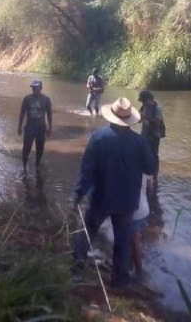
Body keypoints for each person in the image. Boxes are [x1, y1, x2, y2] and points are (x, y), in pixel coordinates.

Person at [73, 97, 157, 287]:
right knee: (123, 240)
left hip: (101, 197)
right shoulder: (139, 142)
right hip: (127, 200)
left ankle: (77, 269)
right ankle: (119, 280)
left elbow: (87, 171)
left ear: (111, 116)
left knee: (86, 232)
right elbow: (151, 168)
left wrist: (78, 194)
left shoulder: (98, 137)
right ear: (129, 120)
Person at [18, 80, 52, 173]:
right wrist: (19, 126)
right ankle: (24, 167)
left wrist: (50, 127)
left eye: (36, 88)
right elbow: (22, 113)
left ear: (40, 88)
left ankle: (37, 164)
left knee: (40, 148)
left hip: (41, 128)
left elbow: (49, 114)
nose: (34, 90)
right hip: (29, 128)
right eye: (32, 88)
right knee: (26, 148)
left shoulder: (46, 99)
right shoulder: (27, 99)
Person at [138, 90, 164, 183]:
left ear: (149, 99)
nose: (143, 103)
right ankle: (148, 174)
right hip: (145, 134)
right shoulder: (144, 106)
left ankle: (155, 176)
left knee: (154, 155)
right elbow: (139, 120)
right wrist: (138, 116)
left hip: (154, 135)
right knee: (143, 154)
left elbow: (157, 122)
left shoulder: (158, 108)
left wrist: (145, 117)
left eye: (143, 101)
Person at [131, 175, 150, 281]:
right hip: (144, 208)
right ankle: (133, 267)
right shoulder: (143, 163)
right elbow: (149, 187)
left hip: (135, 211)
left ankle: (139, 273)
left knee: (134, 242)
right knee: (137, 240)